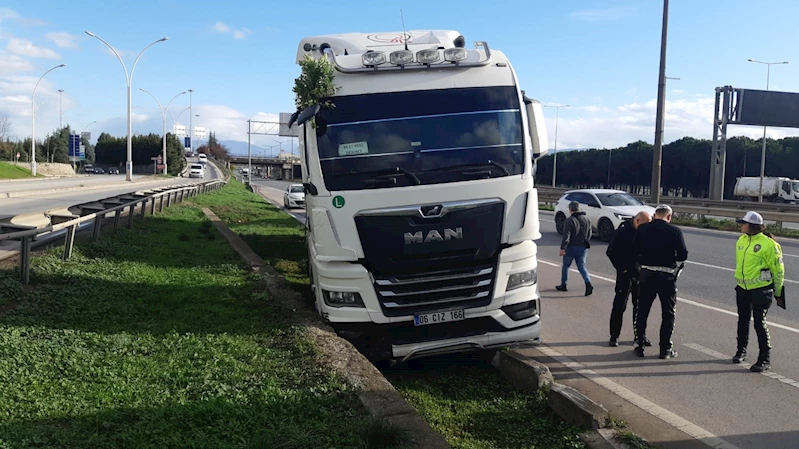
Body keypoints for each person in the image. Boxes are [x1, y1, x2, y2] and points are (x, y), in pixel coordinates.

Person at [632, 204, 688, 359]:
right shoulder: (675, 231)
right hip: (666, 276)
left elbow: (634, 250)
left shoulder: (643, 229)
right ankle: (665, 349)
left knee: (642, 310)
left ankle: (640, 345)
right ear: (669, 216)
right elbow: (683, 255)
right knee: (668, 313)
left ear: (655, 214)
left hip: (646, 274)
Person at [733, 211, 785, 372]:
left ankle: (764, 359)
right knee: (742, 321)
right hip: (742, 289)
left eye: (743, 223)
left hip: (761, 290)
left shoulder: (769, 245)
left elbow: (778, 271)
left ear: (752, 226)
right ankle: (741, 350)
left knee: (759, 323)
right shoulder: (741, 240)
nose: (741, 225)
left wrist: (778, 292)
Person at [606, 210, 653, 347]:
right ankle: (614, 336)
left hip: (640, 274)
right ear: (637, 221)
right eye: (645, 225)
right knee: (620, 305)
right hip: (625, 274)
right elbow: (611, 252)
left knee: (640, 307)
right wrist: (622, 268)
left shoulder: (644, 232)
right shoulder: (623, 231)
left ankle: (640, 336)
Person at [556, 201, 593, 296]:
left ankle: (564, 284)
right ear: (578, 208)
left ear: (570, 209)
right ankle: (588, 282)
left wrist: (562, 248)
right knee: (581, 267)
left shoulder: (569, 220)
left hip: (571, 247)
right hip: (582, 247)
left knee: (566, 266)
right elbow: (589, 233)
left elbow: (566, 235)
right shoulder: (586, 219)